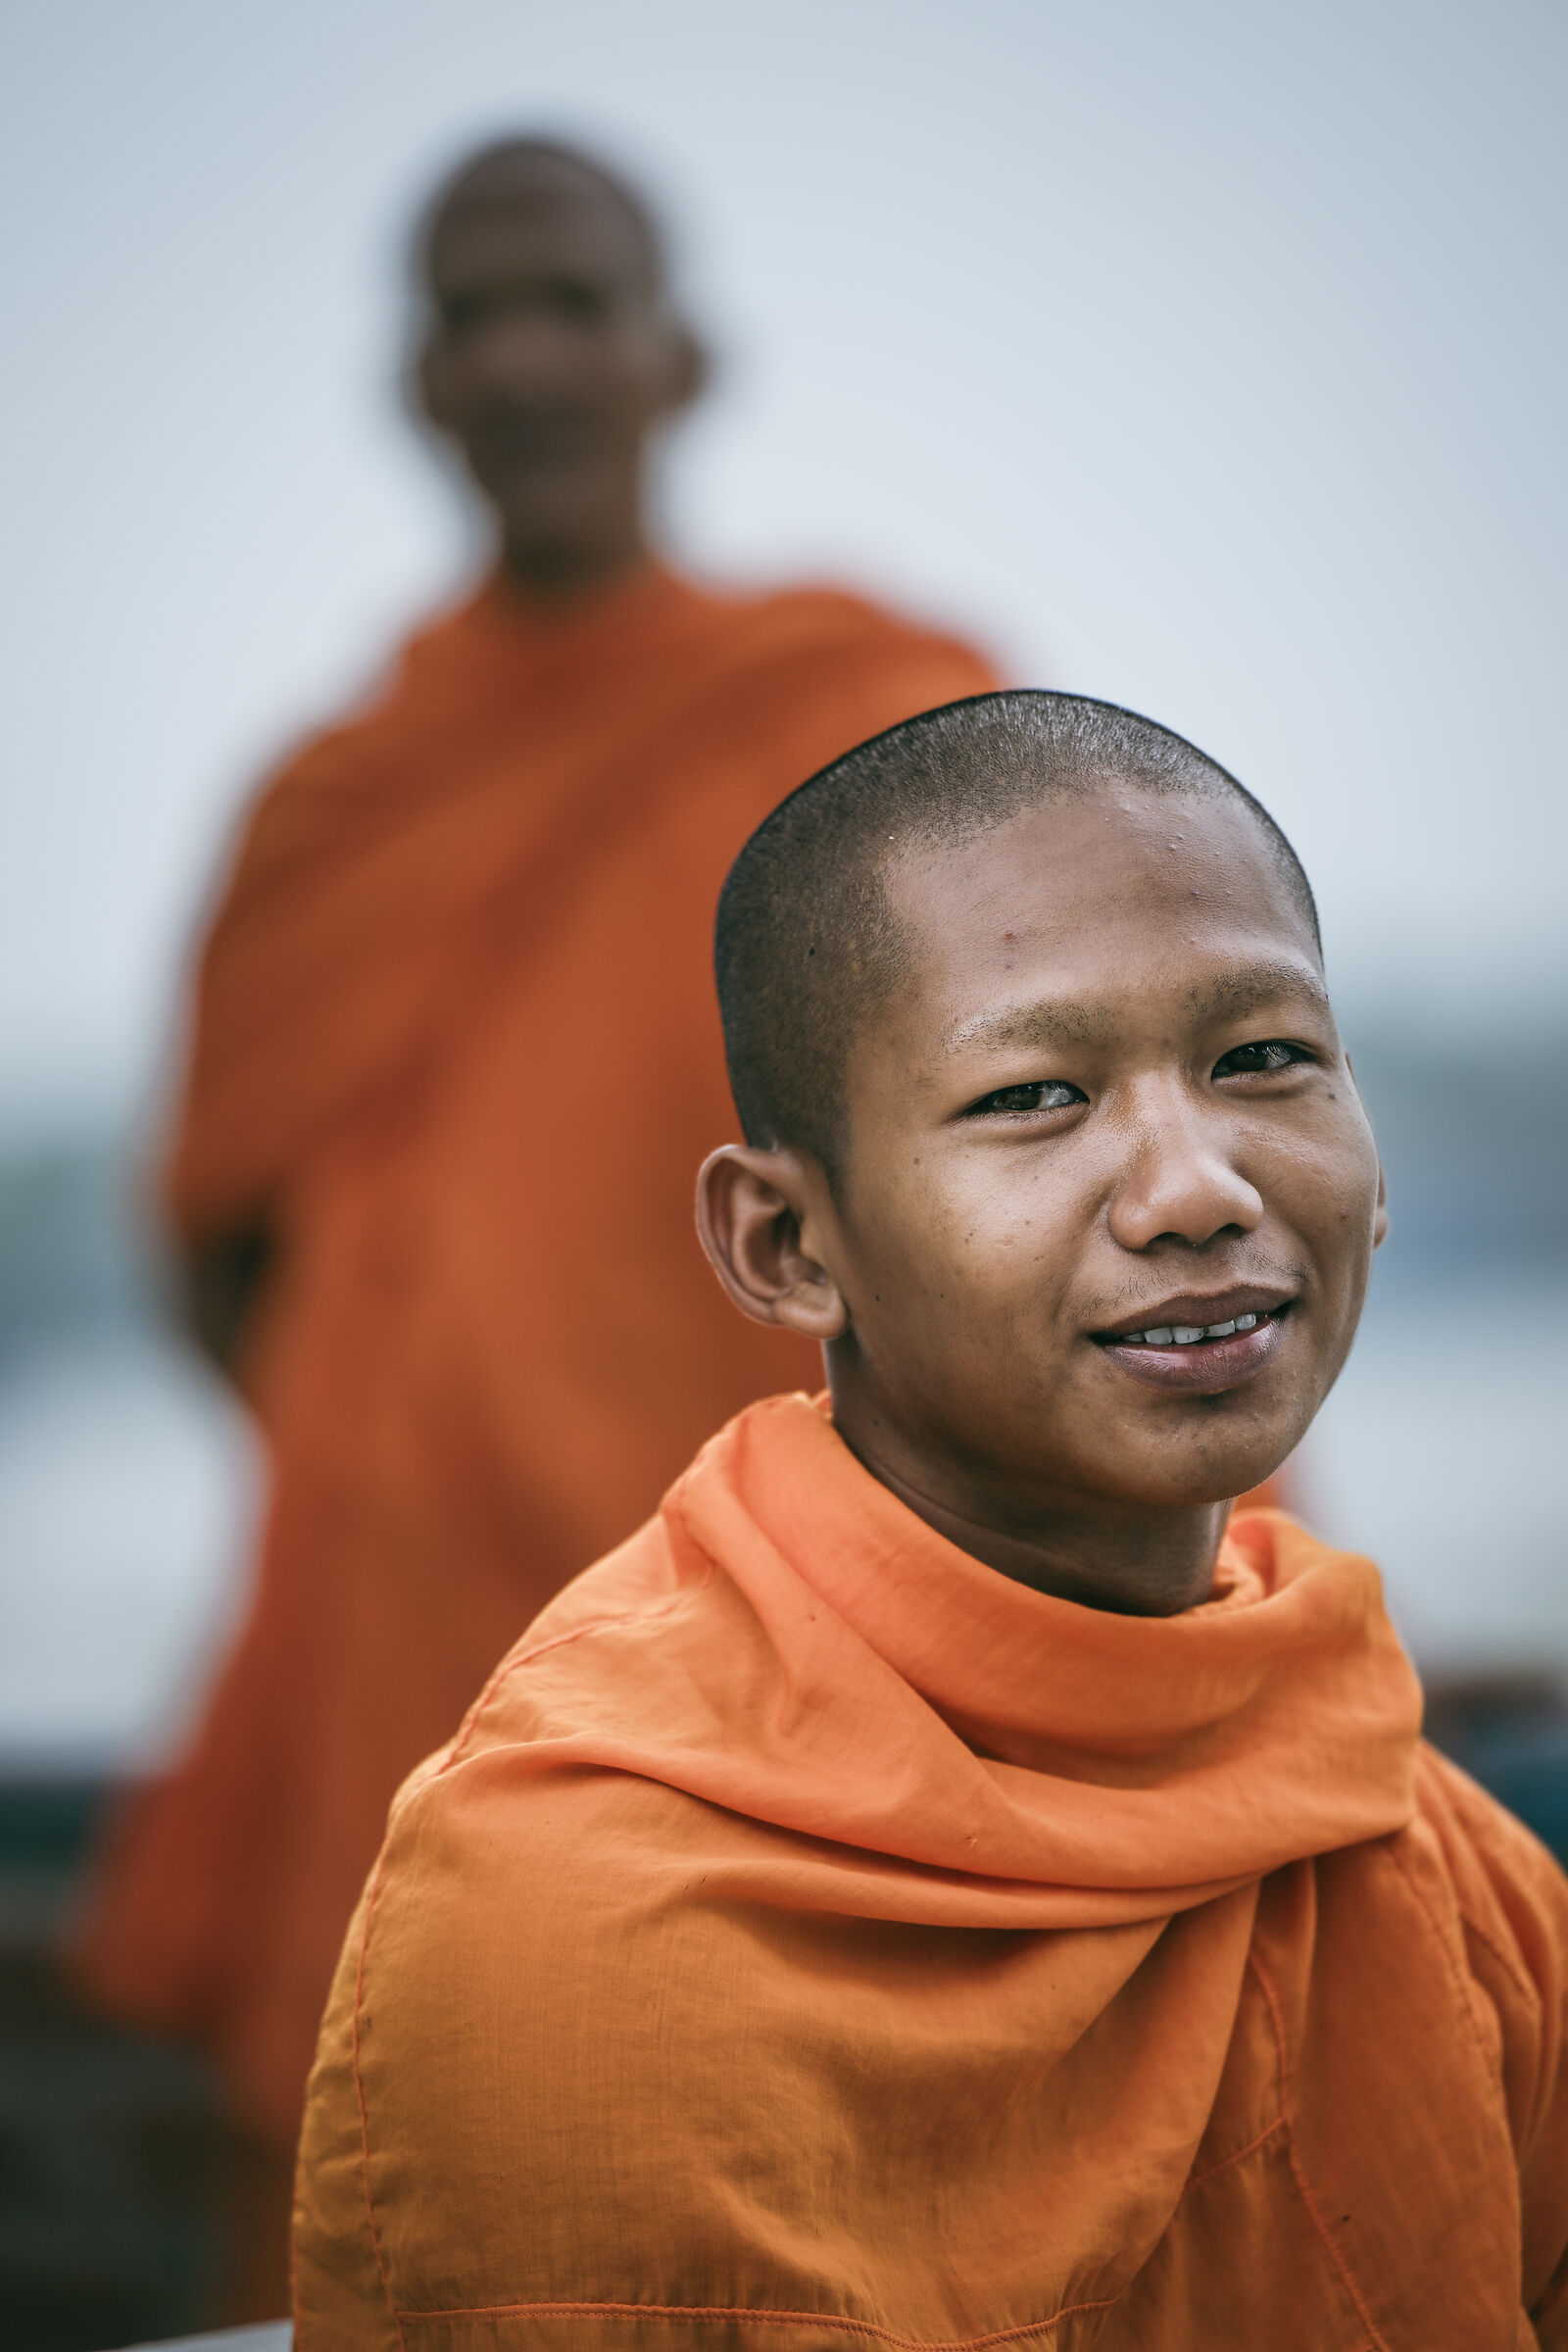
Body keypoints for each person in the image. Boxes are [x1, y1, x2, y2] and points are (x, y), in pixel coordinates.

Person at [293, 693, 1568, 2350]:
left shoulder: (1385, 1809)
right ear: (785, 1246)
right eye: (1036, 1096)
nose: (1199, 1188)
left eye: (1264, 1061)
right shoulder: (582, 1922)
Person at [72, 133, 998, 2265]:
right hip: (427, 1646)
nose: (524, 358)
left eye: (571, 301)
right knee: (437, 2195)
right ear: (413, 387)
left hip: (828, 1626)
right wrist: (442, 1387)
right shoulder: (332, 811)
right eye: (471, 314)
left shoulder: (875, 717)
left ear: (684, 356)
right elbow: (219, 1248)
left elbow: (1043, 1157)